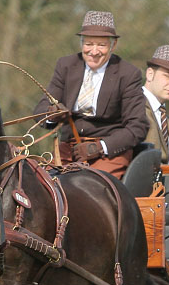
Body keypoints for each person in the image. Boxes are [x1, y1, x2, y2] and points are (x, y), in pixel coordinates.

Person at [35, 10, 148, 178]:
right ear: (81, 44)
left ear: (113, 45)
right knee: (42, 187)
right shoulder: (66, 65)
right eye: (88, 44)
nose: (94, 51)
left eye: (101, 45)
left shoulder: (128, 74)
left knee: (89, 187)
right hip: (67, 150)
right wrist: (52, 113)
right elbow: (40, 111)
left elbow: (138, 127)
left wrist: (100, 147)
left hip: (109, 154)